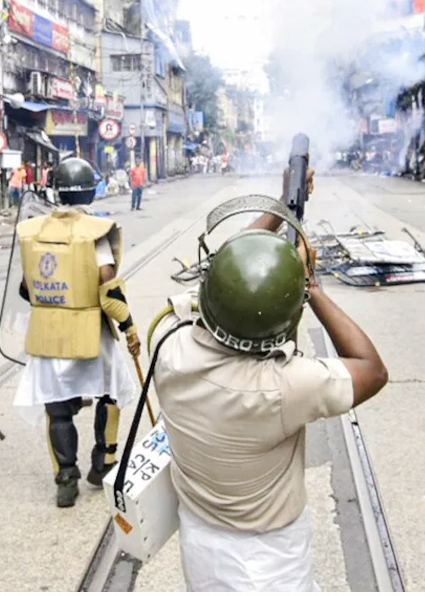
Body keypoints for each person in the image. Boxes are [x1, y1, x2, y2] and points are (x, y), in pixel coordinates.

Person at [152, 170, 389, 591]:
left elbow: (225, 268)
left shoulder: (168, 342)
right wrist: (311, 286)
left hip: (201, 542)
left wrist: (282, 205)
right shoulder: (282, 388)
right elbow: (372, 370)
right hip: (271, 563)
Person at [12, 157, 141, 508]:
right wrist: (129, 327)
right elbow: (109, 287)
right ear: (90, 189)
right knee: (112, 391)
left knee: (57, 408)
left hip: (46, 333)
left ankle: (66, 479)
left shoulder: (33, 231)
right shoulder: (95, 232)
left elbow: (27, 288)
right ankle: (104, 462)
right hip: (89, 332)